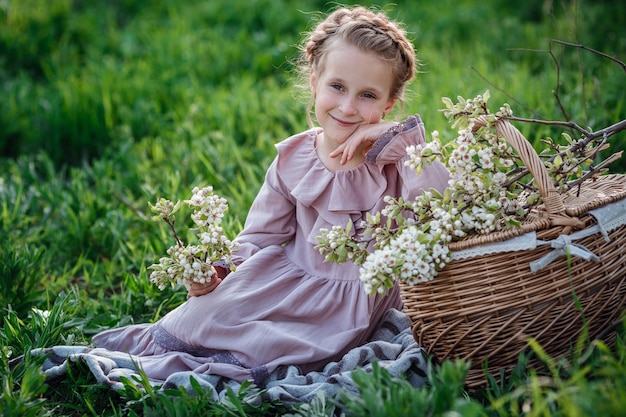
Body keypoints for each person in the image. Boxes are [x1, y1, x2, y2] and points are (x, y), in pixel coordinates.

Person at [92, 5, 449, 386]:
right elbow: (258, 239)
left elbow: (444, 208)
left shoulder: (397, 161)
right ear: (314, 81)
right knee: (205, 316)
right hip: (288, 286)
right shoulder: (294, 159)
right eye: (337, 87)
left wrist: (399, 139)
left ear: (388, 106)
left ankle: (262, 352)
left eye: (367, 95)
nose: (347, 107)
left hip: (353, 307)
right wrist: (219, 272)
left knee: (278, 346)